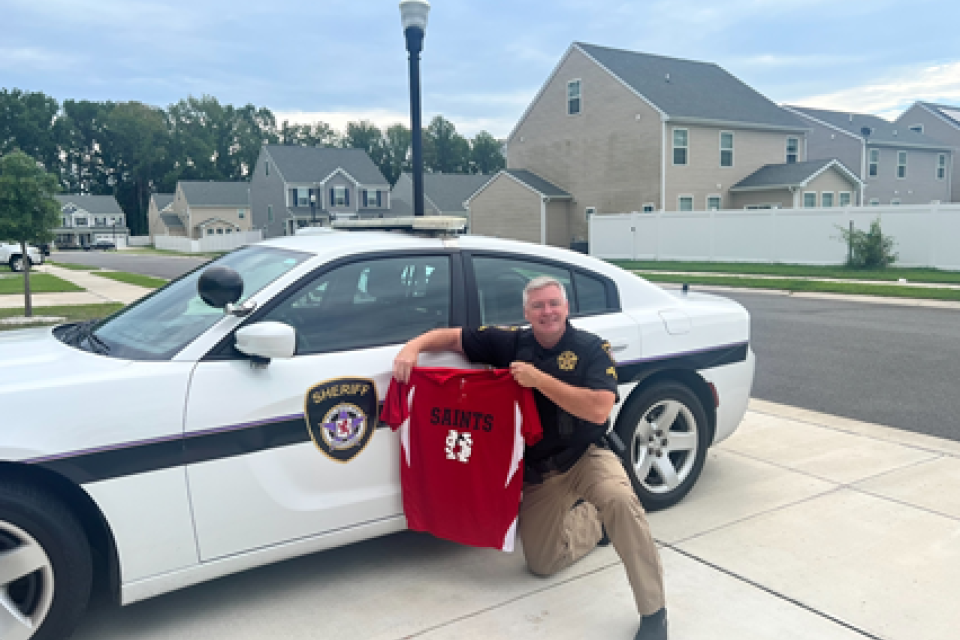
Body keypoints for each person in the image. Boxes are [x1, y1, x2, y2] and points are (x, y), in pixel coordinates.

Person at [393, 276, 668, 640]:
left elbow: (600, 409)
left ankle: (654, 612)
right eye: (538, 306)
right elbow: (452, 337)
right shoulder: (510, 341)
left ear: (566, 308)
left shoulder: (590, 348)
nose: (547, 312)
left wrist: (538, 380)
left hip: (585, 455)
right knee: (542, 563)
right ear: (526, 312)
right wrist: (412, 348)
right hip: (541, 471)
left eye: (554, 303)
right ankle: (593, 524)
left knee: (619, 500)